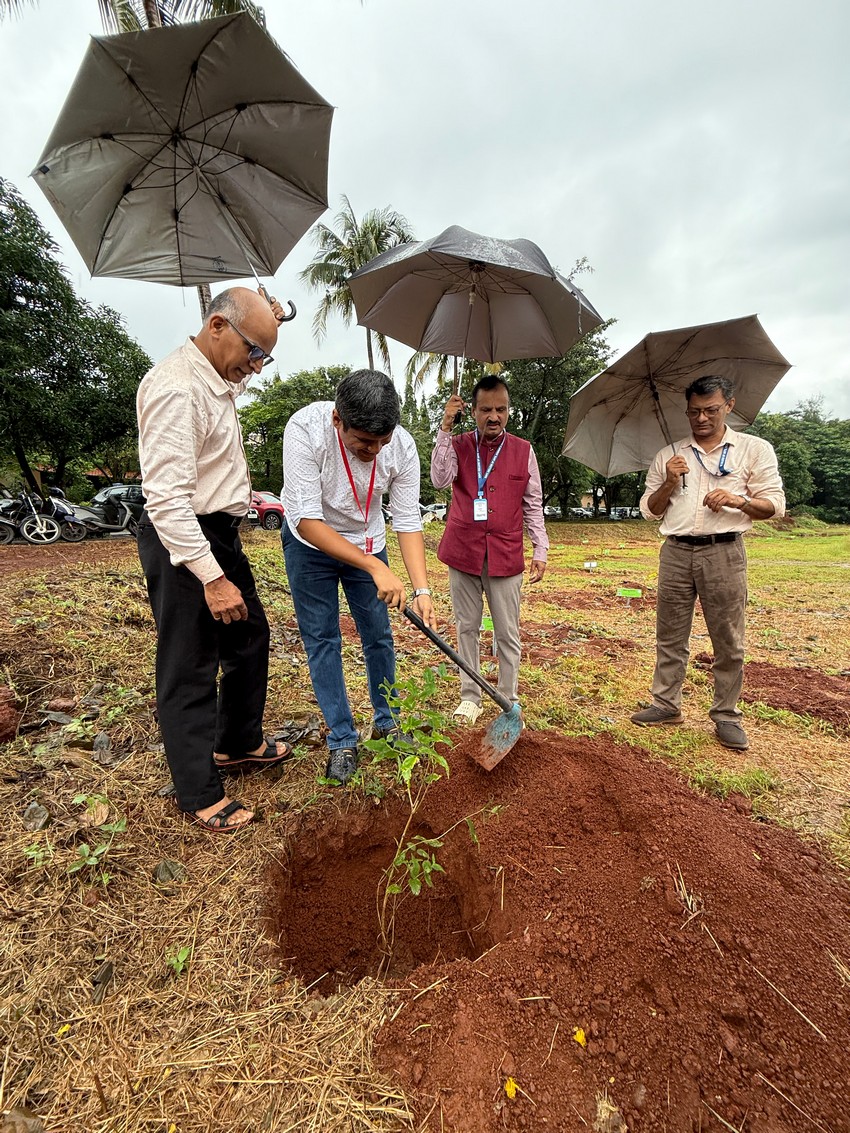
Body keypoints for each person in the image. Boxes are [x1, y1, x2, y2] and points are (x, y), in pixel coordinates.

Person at [137, 287, 291, 834]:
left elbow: (242, 355)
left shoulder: (218, 378)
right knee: (191, 663)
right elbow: (166, 500)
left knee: (250, 635)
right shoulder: (178, 389)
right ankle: (198, 790)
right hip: (183, 539)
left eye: (265, 357)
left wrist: (268, 322)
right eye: (254, 352)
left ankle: (238, 742)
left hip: (220, 532)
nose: (255, 367)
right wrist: (211, 577)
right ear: (217, 325)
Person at [281, 369, 437, 786]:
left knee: (379, 635)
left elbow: (406, 518)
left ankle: (386, 721)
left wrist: (421, 588)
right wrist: (374, 567)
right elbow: (308, 520)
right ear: (338, 420)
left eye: (382, 441)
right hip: (309, 546)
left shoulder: (399, 445)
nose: (375, 451)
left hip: (368, 542)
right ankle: (342, 740)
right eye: (364, 442)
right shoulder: (305, 430)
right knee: (322, 639)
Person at [631, 374, 785, 750]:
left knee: (728, 639)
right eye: (694, 412)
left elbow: (775, 506)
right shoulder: (669, 454)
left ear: (728, 406)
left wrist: (738, 500)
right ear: (686, 411)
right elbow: (650, 512)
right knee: (670, 635)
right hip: (676, 551)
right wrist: (668, 481)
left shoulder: (754, 449)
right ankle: (666, 704)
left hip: (725, 551)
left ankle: (726, 715)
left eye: (711, 410)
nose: (702, 418)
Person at [431, 375, 548, 724]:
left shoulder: (524, 451)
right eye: (485, 410)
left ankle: (508, 698)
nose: (493, 417)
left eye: (501, 409)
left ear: (509, 411)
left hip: (505, 554)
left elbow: (533, 504)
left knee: (507, 632)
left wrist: (540, 547)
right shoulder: (459, 444)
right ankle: (471, 696)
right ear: (475, 410)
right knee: (467, 627)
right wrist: (445, 428)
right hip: (463, 552)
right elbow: (439, 479)